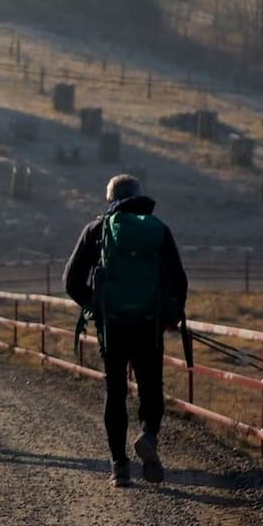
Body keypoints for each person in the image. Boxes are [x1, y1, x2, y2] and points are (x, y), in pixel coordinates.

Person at [64, 174, 188, 486]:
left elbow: (71, 279)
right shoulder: (157, 230)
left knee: (115, 391)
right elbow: (179, 280)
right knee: (151, 386)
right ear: (138, 196)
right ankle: (148, 435)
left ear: (110, 199)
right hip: (148, 326)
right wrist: (168, 316)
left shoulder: (97, 230)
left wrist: (94, 306)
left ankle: (119, 465)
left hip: (113, 327)